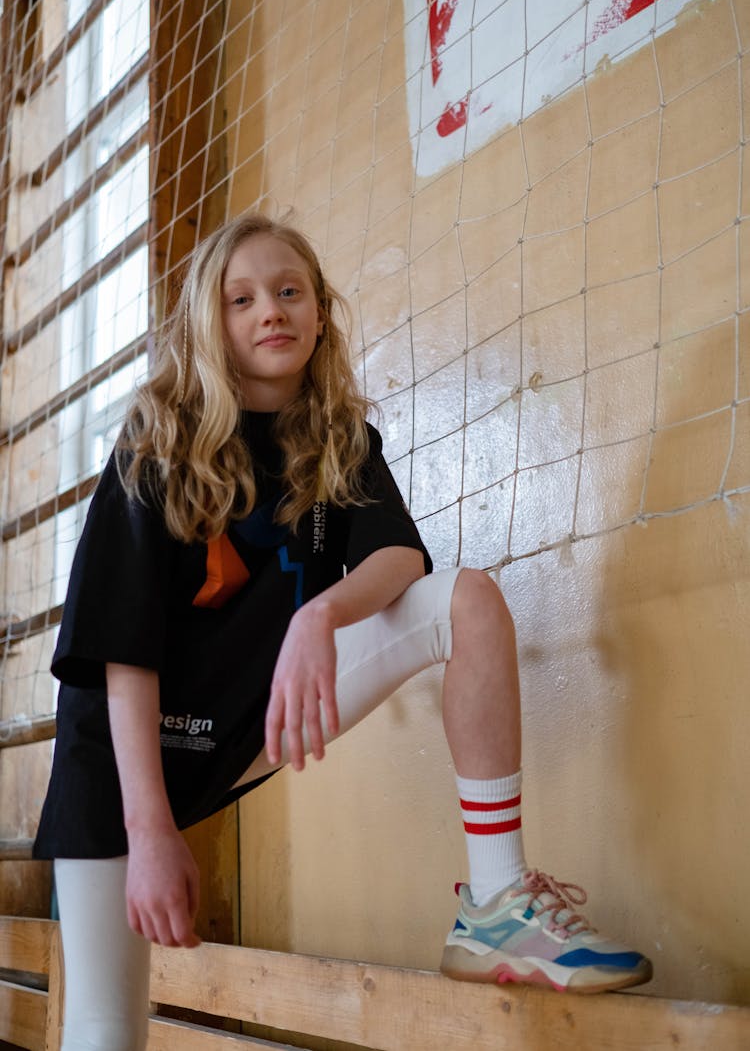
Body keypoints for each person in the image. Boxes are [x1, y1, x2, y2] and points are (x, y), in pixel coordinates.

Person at [33, 212, 651, 1050]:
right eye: (240, 298)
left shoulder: (338, 441)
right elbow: (121, 650)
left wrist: (320, 615)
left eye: (290, 292)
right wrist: (151, 831)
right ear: (208, 325)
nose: (270, 311)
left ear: (321, 312)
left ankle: (497, 908)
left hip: (246, 720)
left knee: (466, 600)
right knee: (106, 1033)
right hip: (118, 759)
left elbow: (400, 556)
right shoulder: (159, 437)